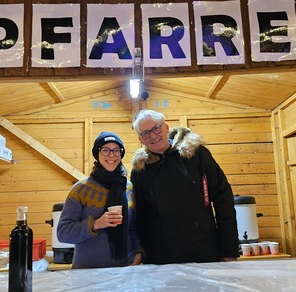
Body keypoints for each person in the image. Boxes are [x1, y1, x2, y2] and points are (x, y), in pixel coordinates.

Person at [131, 109, 239, 264]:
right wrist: (139, 252)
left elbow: (224, 199)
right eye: (146, 133)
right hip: (160, 257)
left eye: (156, 128)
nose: (153, 135)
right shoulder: (139, 169)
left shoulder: (197, 154)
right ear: (141, 139)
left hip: (203, 251)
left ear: (166, 127)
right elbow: (138, 216)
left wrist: (229, 250)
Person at [57, 131, 143, 268]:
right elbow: (63, 233)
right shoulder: (80, 189)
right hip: (88, 274)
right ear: (97, 154)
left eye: (116, 150)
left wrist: (139, 252)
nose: (111, 155)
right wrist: (95, 224)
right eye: (105, 150)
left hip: (125, 270)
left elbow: (133, 228)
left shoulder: (128, 188)